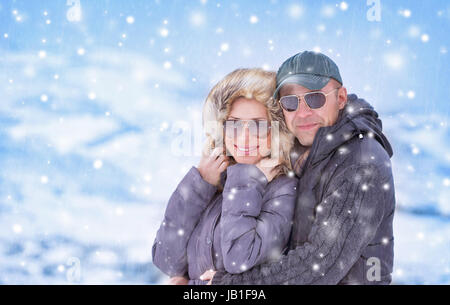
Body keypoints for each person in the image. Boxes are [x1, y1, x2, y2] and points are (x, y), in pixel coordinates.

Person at [202, 51, 396, 285]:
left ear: (341, 98)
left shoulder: (361, 163)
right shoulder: (299, 149)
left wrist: (230, 284)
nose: (303, 113)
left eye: (315, 99)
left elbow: (320, 265)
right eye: (291, 102)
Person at [152, 68, 298, 285]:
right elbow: (166, 260)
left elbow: (239, 260)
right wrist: (199, 183)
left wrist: (248, 180)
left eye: (258, 125)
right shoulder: (216, 182)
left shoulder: (284, 189)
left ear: (277, 131)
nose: (244, 136)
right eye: (234, 124)